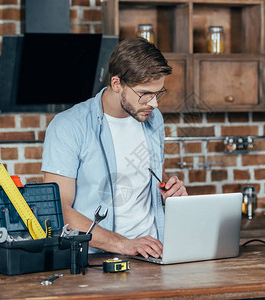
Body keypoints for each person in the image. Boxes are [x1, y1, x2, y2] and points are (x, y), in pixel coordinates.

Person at [42, 37, 188, 259]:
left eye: (158, 93)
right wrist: (123, 244)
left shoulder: (153, 118)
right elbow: (59, 211)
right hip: (96, 261)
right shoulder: (68, 126)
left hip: (154, 255)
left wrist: (169, 187)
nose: (154, 103)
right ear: (117, 83)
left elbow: (148, 169)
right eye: (145, 94)